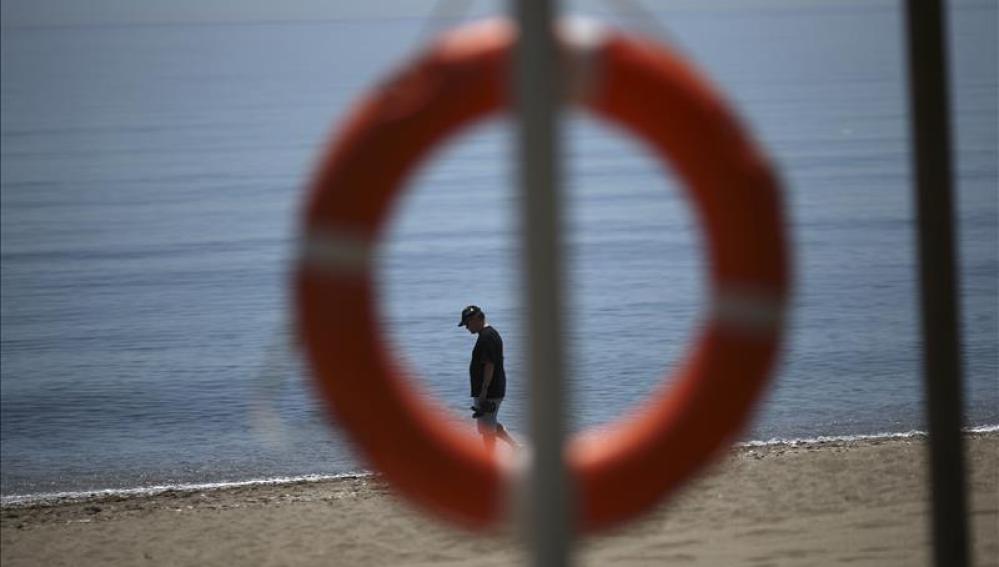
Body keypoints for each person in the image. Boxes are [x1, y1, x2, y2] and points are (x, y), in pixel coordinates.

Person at [458, 305, 518, 451]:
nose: (466, 327)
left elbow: (489, 365)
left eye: (467, 323)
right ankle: (516, 447)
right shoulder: (488, 335)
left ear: (476, 319)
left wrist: (484, 390)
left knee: (487, 429)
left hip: (490, 391)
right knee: (489, 423)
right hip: (492, 388)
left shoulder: (487, 337)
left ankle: (489, 459)